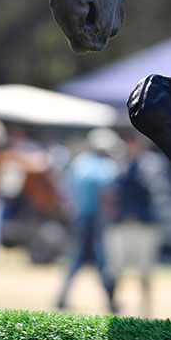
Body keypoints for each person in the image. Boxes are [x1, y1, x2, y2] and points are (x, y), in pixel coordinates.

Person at [55, 127, 122, 313]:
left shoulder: (79, 163)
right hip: (98, 219)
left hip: (78, 217)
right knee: (103, 260)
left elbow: (66, 190)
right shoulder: (107, 167)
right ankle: (111, 301)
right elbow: (109, 193)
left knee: (75, 259)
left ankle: (61, 298)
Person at [104, 134, 163, 317]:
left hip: (144, 224)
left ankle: (146, 312)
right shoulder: (120, 163)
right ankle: (114, 307)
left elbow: (151, 188)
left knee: (145, 271)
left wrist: (133, 164)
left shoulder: (151, 163)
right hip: (122, 223)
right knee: (116, 269)